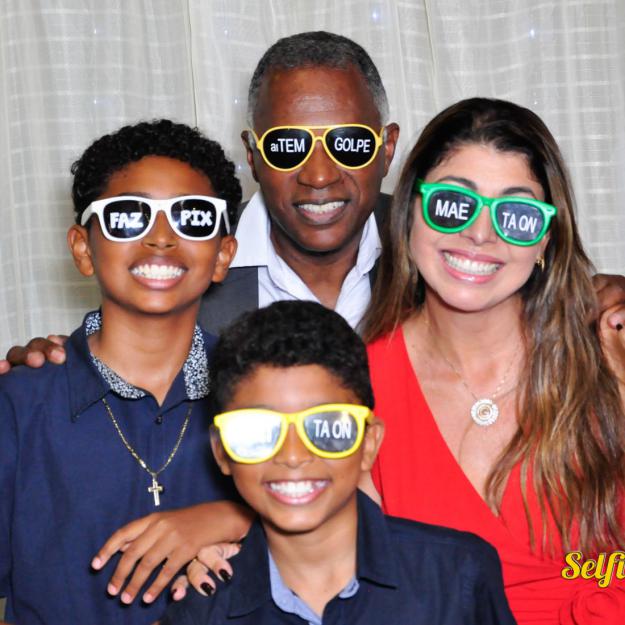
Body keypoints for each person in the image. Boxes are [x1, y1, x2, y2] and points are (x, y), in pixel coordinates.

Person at [2, 31, 625, 604]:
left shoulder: (464, 264)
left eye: (348, 143)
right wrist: (51, 371)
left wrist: (590, 302)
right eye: (288, 146)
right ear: (253, 154)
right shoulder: (190, 282)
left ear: (387, 150)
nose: (320, 173)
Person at [363, 97, 625, 624]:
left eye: (517, 214)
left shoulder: (606, 350)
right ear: (409, 212)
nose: (480, 234)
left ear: (545, 239)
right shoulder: (357, 385)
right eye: (453, 204)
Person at [0, 119, 254, 625]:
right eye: (127, 217)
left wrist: (237, 518)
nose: (160, 238)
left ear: (223, 254)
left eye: (193, 218)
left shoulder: (262, 391)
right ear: (83, 248)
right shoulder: (19, 405)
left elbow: (338, 534)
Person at [161, 300, 517, 625]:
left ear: (369, 442)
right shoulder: (202, 610)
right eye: (258, 431)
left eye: (326, 427)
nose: (293, 456)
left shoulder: (457, 577)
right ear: (222, 451)